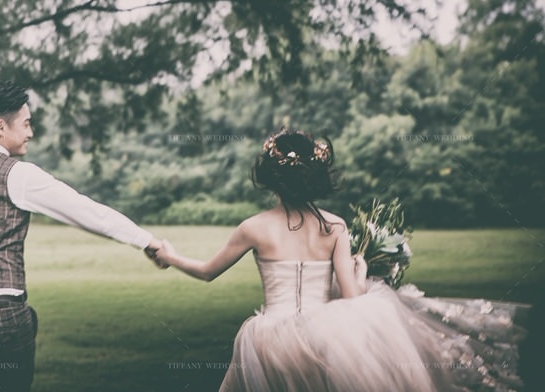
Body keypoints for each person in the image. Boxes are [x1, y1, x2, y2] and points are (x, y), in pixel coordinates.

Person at [155, 128, 529, 392]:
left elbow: (207, 272)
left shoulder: (253, 228)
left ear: (270, 177)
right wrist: (360, 270)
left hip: (268, 339)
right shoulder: (334, 226)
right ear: (313, 177)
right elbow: (351, 296)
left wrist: (170, 257)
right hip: (328, 337)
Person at [0, 81, 165, 391]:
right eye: (26, 123)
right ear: (0, 127)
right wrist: (145, 240)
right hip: (3, 315)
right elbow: (86, 211)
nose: (31, 132)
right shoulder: (19, 174)